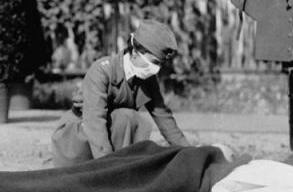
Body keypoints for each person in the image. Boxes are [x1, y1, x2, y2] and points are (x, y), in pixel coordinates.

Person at [51, 19, 191, 167]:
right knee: (126, 117)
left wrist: (189, 153)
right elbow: (94, 122)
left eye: (160, 64)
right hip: (78, 137)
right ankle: (114, 169)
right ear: (136, 53)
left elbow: (163, 117)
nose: (156, 69)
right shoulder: (102, 70)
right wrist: (108, 166)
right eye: (154, 62)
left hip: (108, 135)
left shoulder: (147, 79)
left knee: (131, 119)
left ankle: (122, 167)